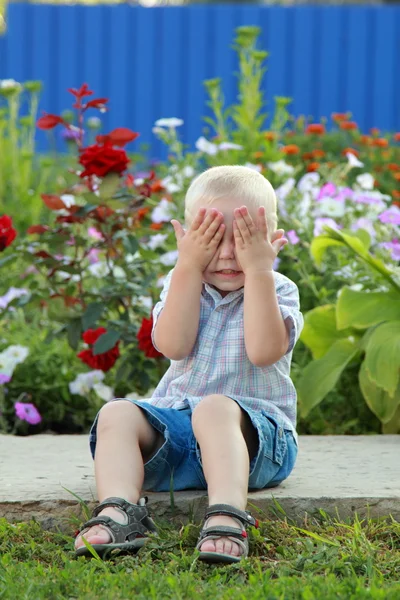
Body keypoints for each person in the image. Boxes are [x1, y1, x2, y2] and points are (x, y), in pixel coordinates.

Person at [75, 165, 304, 563]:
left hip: (258, 442)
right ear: (188, 239)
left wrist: (260, 270)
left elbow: (264, 351)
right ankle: (118, 510)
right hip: (182, 436)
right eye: (213, 240)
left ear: (271, 241)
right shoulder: (183, 282)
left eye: (244, 240)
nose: (229, 253)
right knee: (117, 413)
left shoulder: (278, 287)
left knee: (216, 406)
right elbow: (172, 345)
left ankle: (228, 515)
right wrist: (187, 267)